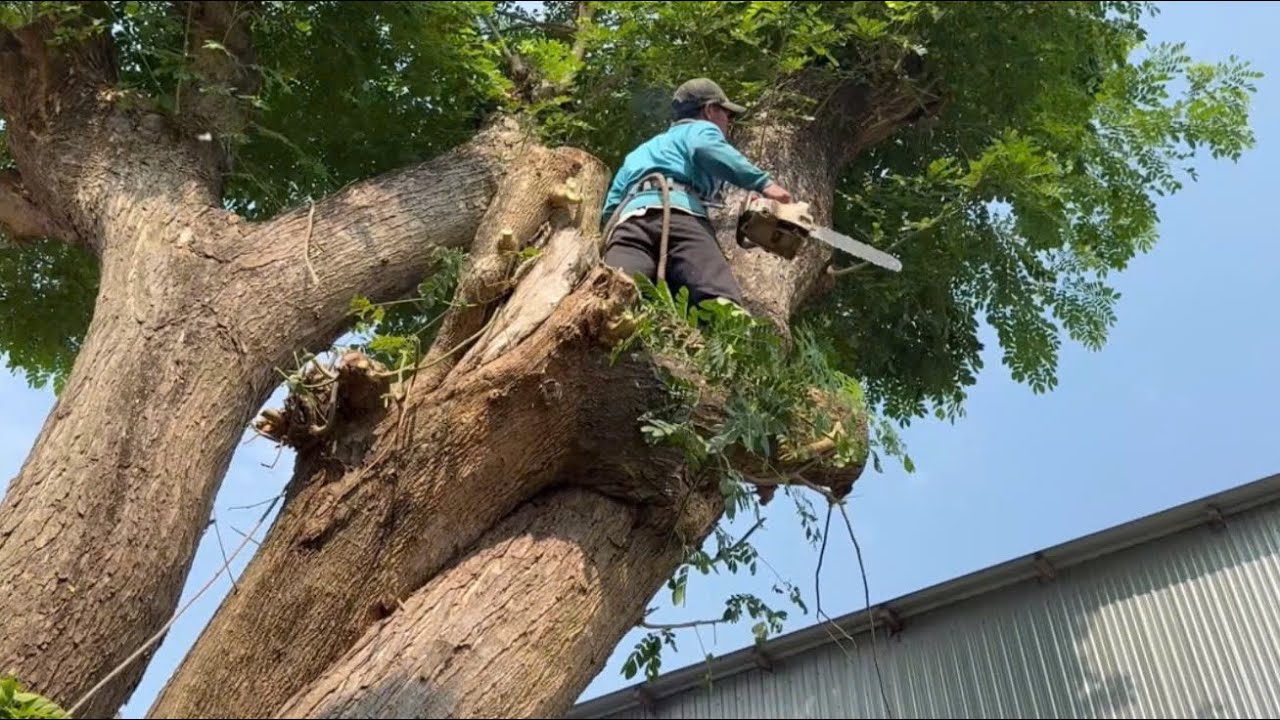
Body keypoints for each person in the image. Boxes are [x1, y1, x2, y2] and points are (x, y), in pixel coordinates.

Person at [600, 78, 793, 308]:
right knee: (720, 304)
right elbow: (707, 149)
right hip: (678, 220)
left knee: (611, 295)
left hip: (629, 226)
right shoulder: (700, 129)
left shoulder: (641, 152)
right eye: (726, 115)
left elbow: (610, 209)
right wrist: (764, 184)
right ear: (710, 110)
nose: (727, 124)